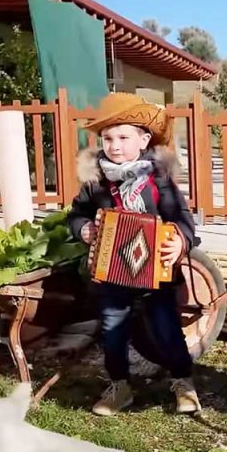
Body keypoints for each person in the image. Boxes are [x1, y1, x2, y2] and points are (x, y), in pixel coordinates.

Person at [68, 92, 201, 417]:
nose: (115, 146)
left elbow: (184, 221)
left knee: (167, 329)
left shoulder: (159, 180)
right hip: (111, 275)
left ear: (143, 140)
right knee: (112, 331)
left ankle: (183, 382)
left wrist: (180, 242)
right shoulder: (95, 183)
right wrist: (83, 229)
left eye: (124, 137)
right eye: (108, 138)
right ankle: (120, 386)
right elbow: (75, 215)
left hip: (158, 274)